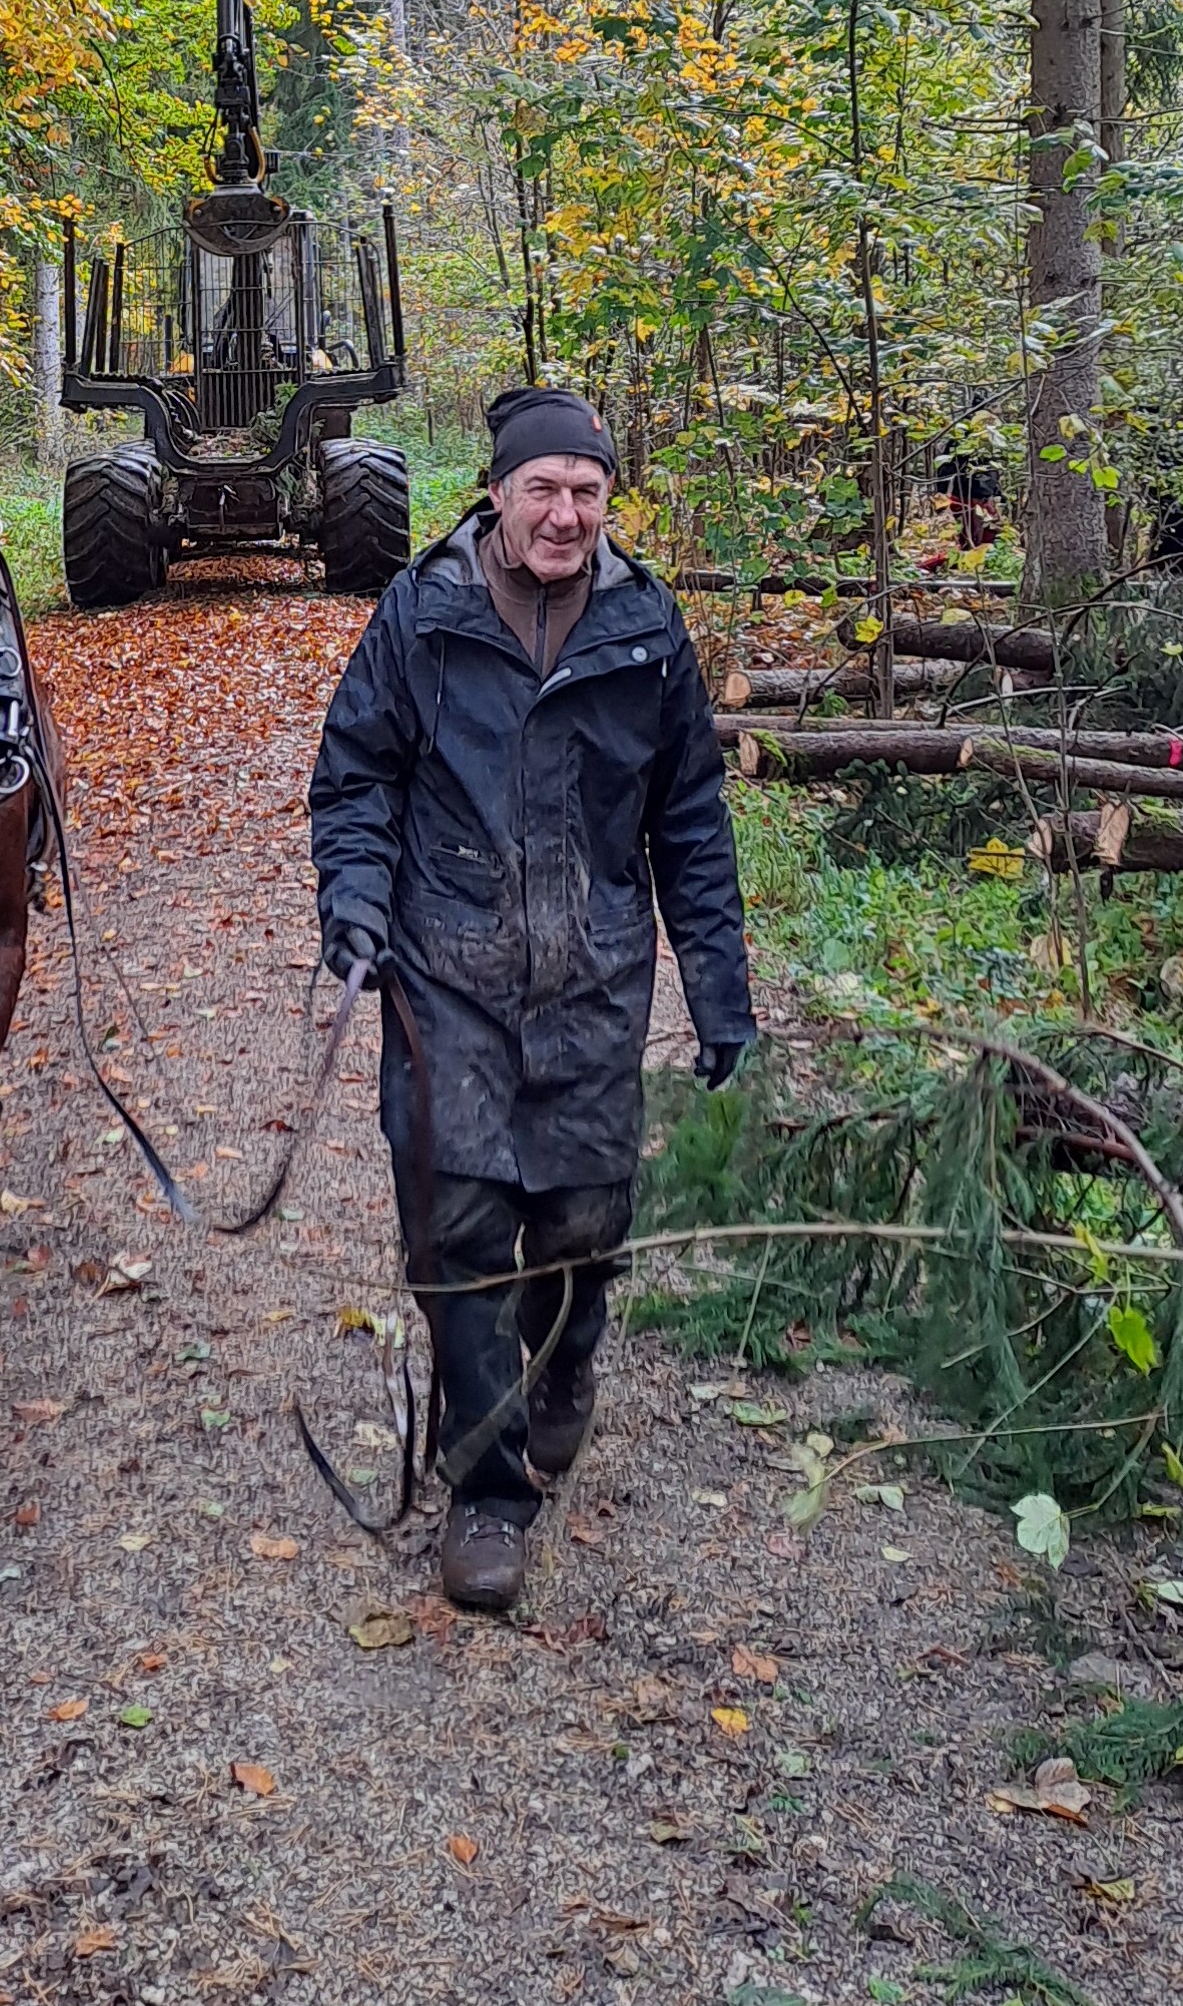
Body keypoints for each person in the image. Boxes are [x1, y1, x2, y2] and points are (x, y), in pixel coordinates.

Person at [308, 387, 758, 1610]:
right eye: (542, 488)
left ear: (609, 500)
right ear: (498, 494)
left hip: (595, 972)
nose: (564, 514)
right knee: (457, 1233)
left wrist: (720, 995)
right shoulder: (425, 613)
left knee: (579, 1216)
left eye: (587, 491)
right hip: (444, 968)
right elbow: (355, 780)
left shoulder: (647, 630)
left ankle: (566, 1366)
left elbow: (692, 825)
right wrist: (353, 903)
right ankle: (487, 1494)